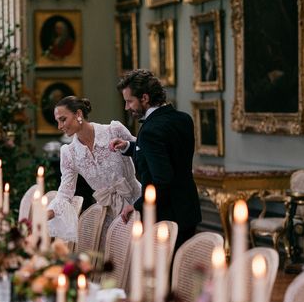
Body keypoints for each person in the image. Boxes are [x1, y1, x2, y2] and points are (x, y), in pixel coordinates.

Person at [110, 69, 201, 251]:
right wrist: (129, 146)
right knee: (181, 271)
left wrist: (135, 206)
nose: (127, 107)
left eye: (129, 101)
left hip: (165, 216)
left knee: (163, 275)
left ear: (144, 98)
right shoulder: (184, 119)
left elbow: (162, 179)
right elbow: (167, 155)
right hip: (188, 209)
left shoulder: (151, 130)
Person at [47, 96, 141, 243]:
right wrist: (48, 213)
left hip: (138, 204)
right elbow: (65, 191)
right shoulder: (69, 153)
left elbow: (144, 151)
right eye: (57, 121)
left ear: (78, 114)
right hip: (107, 218)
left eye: (63, 119)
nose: (59, 126)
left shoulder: (114, 130)